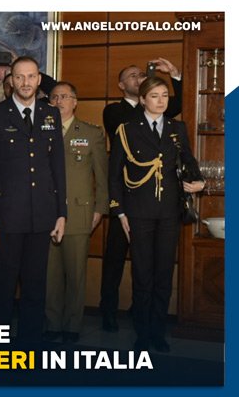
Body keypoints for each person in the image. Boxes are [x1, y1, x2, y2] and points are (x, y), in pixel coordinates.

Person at [108, 76, 203, 352]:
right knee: (142, 274)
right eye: (154, 96)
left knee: (163, 273)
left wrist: (199, 181)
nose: (161, 101)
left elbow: (188, 161)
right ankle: (142, 332)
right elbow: (115, 175)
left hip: (169, 211)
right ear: (142, 100)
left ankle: (158, 332)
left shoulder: (177, 127)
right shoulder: (127, 130)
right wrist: (120, 212)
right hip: (138, 212)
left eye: (164, 95)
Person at [0, 56, 66, 345]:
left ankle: (30, 349)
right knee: (2, 289)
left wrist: (61, 213)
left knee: (35, 289)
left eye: (31, 76)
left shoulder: (51, 115)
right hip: (5, 219)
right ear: (11, 81)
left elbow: (57, 167)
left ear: (39, 80)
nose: (25, 82)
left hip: (42, 216)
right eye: (19, 77)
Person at [100, 57, 183, 332]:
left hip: (156, 204)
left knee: (152, 266)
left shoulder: (158, 110)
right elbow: (137, 125)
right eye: (133, 76)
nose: (139, 78)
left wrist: (174, 76)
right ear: (121, 85)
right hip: (126, 198)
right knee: (115, 259)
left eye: (141, 75)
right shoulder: (115, 111)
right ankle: (108, 311)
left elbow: (174, 107)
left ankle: (144, 318)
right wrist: (148, 99)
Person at [43, 81, 108, 344]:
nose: (59, 101)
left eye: (64, 97)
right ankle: (52, 324)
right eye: (54, 97)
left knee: (76, 274)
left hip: (79, 213)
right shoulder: (40, 131)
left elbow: (102, 176)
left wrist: (100, 208)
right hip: (46, 213)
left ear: (75, 102)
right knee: (50, 275)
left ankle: (72, 325)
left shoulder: (91, 133)